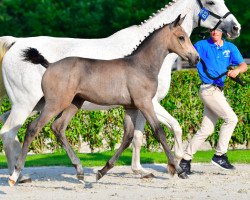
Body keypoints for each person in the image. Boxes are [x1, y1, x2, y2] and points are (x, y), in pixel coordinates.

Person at [179, 29, 248, 174]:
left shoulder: (230, 48)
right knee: (231, 119)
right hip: (208, 89)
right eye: (212, 29)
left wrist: (236, 70)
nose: (214, 32)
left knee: (206, 130)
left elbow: (244, 66)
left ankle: (185, 161)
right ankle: (219, 155)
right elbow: (184, 49)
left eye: (217, 30)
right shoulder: (201, 45)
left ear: (223, 31)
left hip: (218, 91)